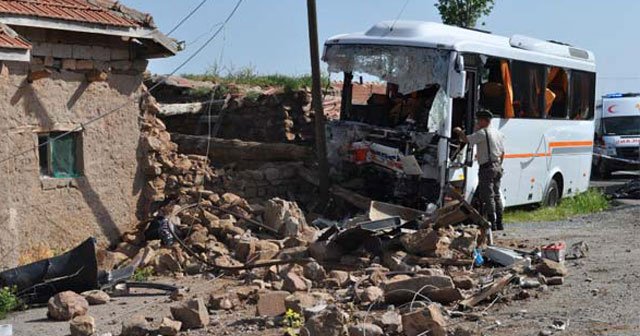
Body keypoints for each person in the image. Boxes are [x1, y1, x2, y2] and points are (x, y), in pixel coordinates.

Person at [453, 109, 505, 230]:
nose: (477, 123)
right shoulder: (497, 133)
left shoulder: (482, 133)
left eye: (478, 120)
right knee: (496, 195)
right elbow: (502, 152)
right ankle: (500, 222)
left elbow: (466, 140)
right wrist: (497, 164)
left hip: (487, 168)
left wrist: (459, 131)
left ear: (483, 120)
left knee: (488, 196)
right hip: (497, 166)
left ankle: (492, 223)